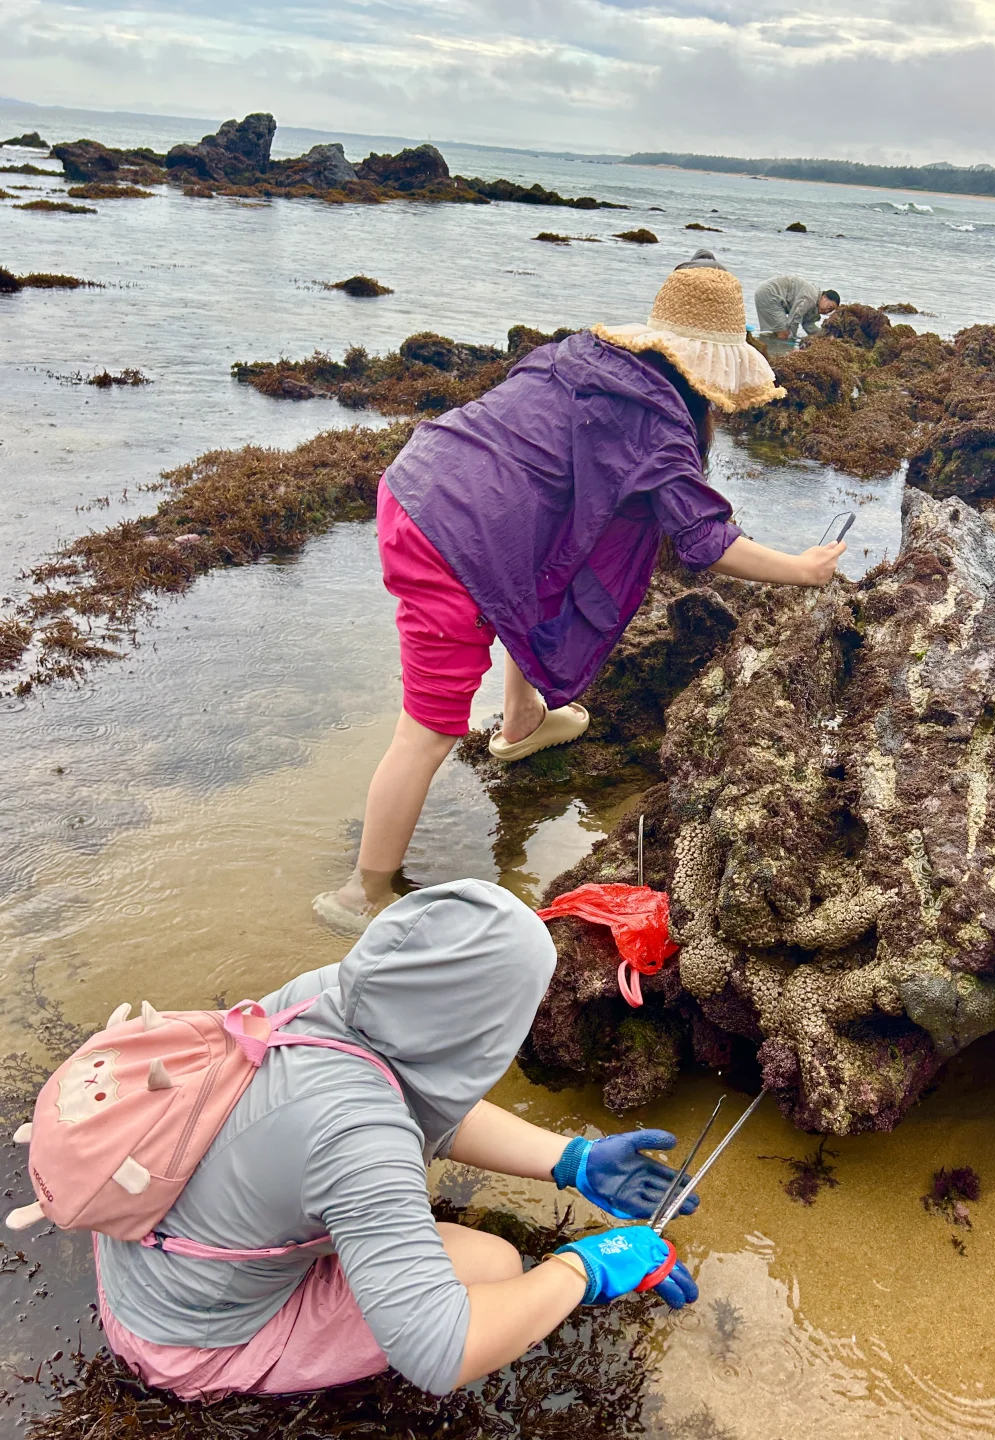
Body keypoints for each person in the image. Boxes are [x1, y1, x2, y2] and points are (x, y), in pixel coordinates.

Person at [314, 250, 847, 936]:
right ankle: (362, 893)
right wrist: (804, 569)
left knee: (539, 581)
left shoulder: (580, 358)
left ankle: (522, 721)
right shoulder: (658, 422)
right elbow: (705, 542)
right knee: (429, 728)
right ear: (711, 372)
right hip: (450, 533)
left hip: (427, 477)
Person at [94, 881, 700, 1400]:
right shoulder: (359, 1140)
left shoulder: (327, 994)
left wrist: (573, 1160)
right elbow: (442, 1350)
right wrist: (582, 1269)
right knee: (494, 1267)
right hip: (187, 1340)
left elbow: (425, 1096)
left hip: (142, 1247)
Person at [754, 275, 841, 342]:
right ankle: (775, 352)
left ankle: (768, 343)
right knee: (784, 334)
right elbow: (795, 317)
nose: (826, 311)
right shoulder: (811, 297)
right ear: (824, 297)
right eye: (829, 307)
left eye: (829, 311)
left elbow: (809, 325)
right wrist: (791, 339)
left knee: (780, 332)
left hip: (771, 295)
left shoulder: (815, 305)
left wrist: (826, 336)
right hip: (770, 294)